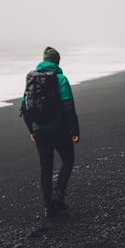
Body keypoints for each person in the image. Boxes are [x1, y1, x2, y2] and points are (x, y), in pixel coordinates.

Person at [20, 46, 81, 216]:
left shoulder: (31, 79)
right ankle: (58, 194)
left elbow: (25, 107)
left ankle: (48, 206)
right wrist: (74, 130)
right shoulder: (60, 78)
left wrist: (31, 129)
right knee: (68, 159)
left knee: (45, 167)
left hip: (39, 130)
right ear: (57, 61)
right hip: (59, 128)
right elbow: (68, 106)